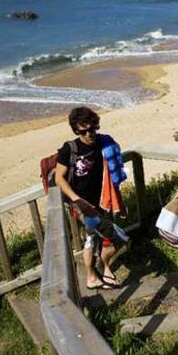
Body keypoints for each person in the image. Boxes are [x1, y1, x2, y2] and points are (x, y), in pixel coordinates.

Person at [55, 106, 127, 290]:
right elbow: (59, 178)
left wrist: (120, 201)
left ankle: (98, 274)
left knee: (95, 239)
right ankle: (97, 274)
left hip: (103, 201)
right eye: (84, 131)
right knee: (112, 239)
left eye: (92, 129)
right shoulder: (69, 149)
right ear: (76, 130)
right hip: (81, 204)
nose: (89, 134)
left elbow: (112, 174)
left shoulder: (103, 143)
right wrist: (77, 200)